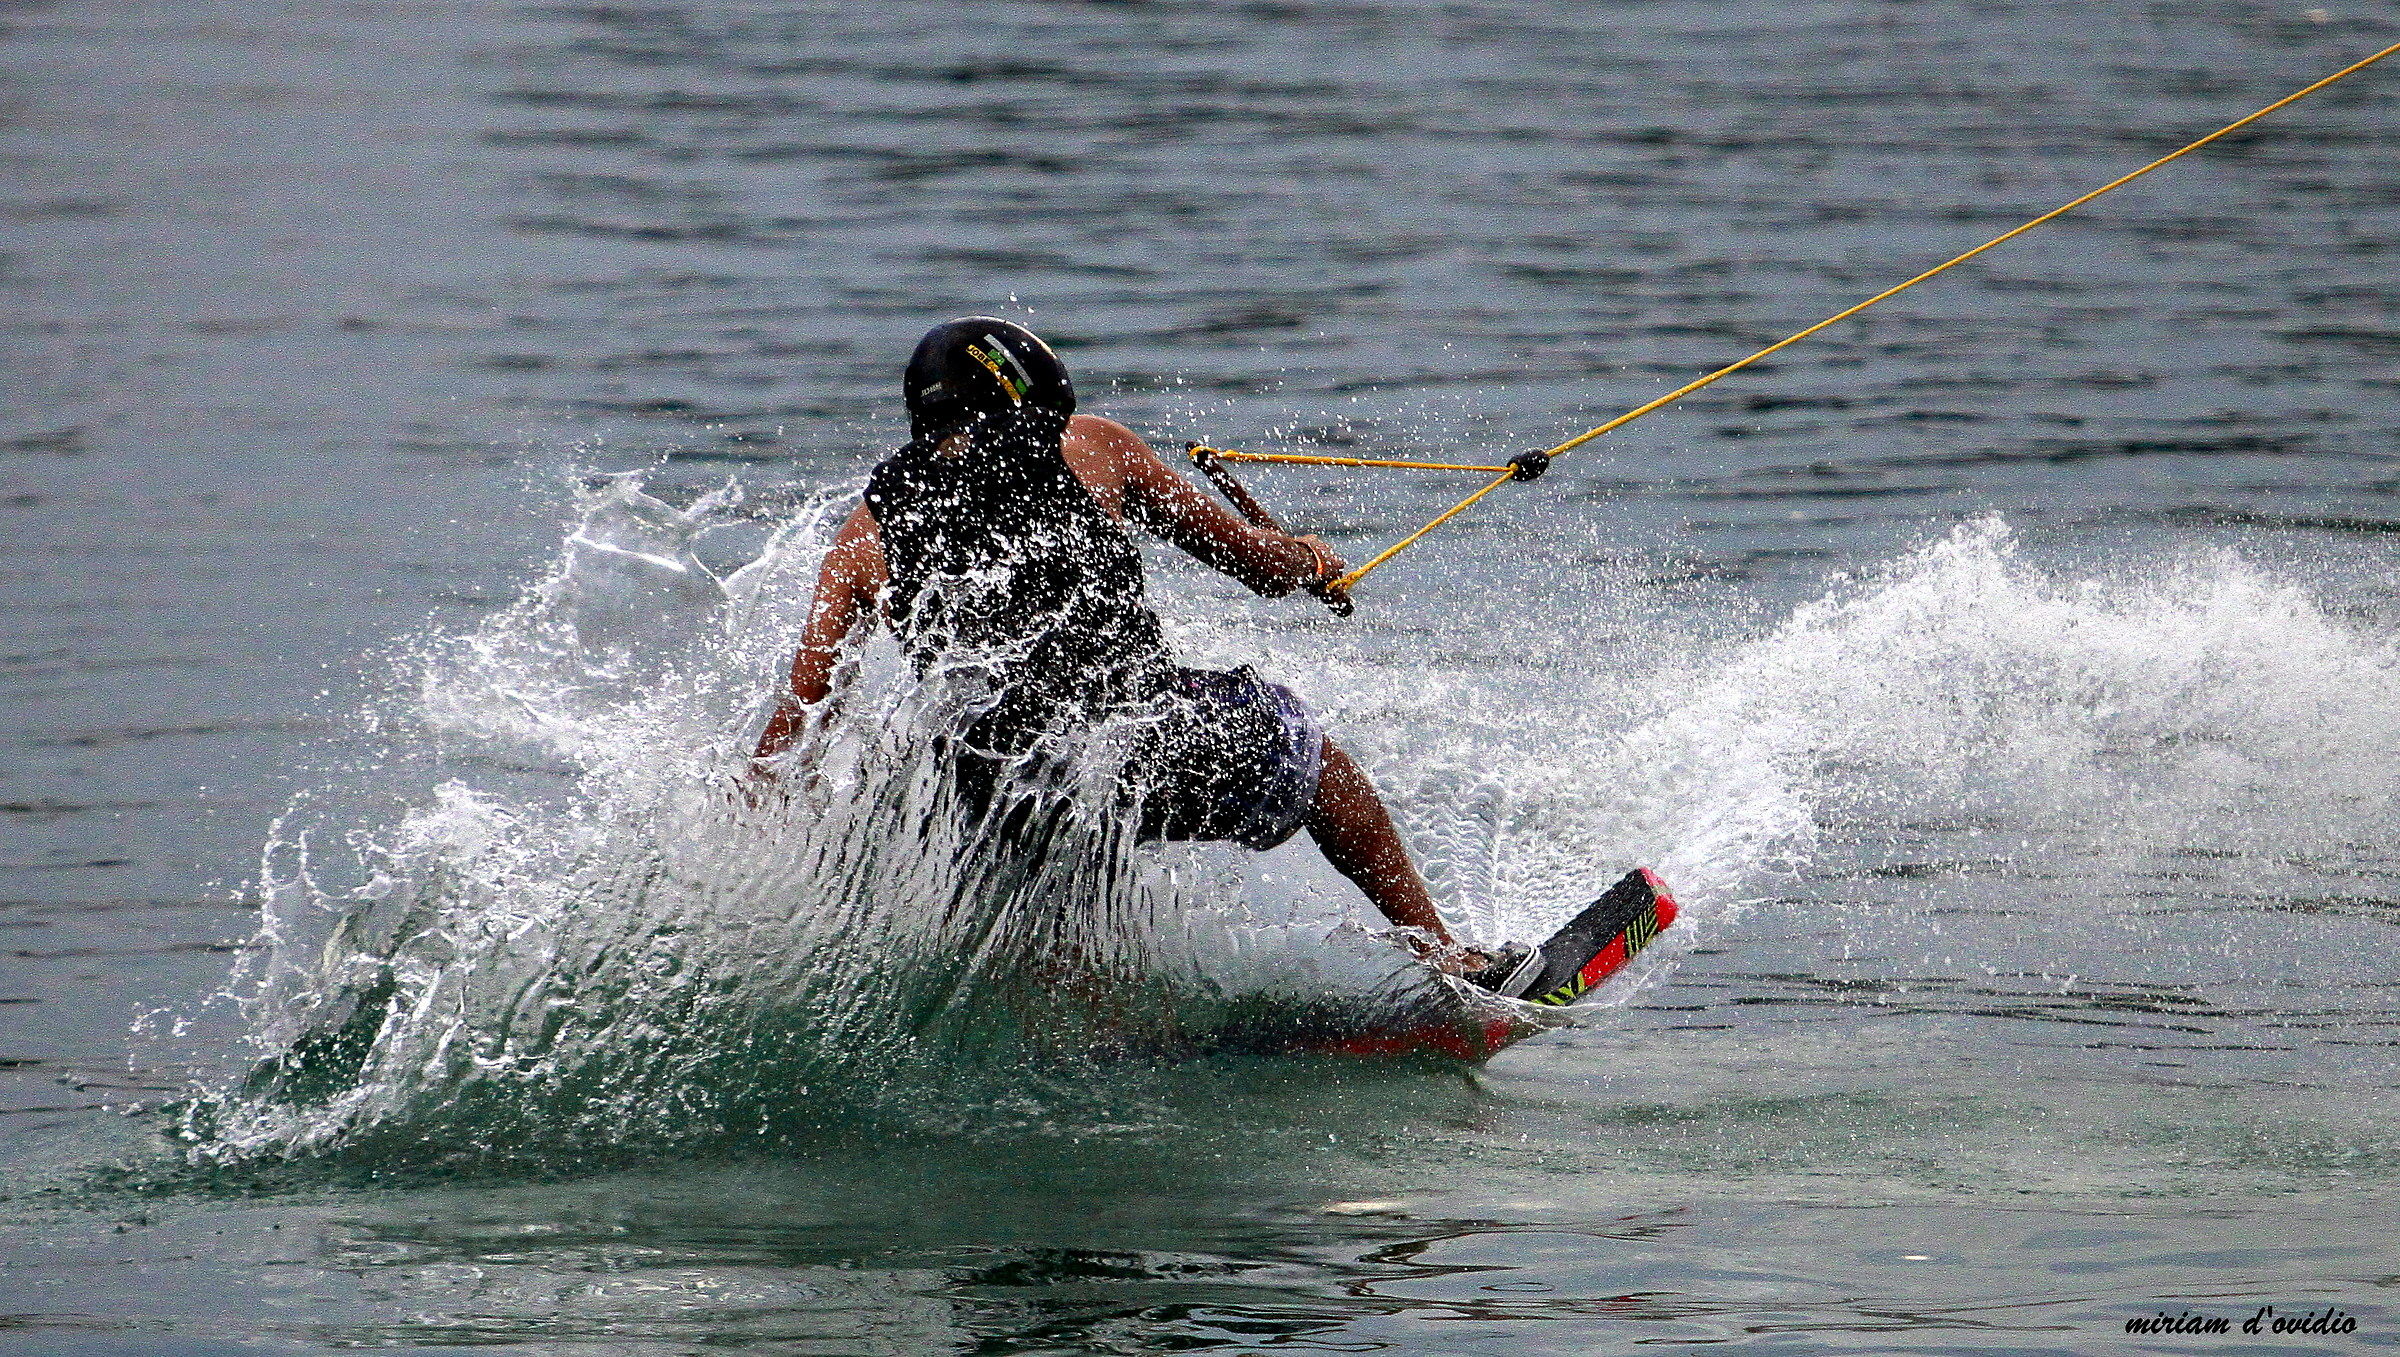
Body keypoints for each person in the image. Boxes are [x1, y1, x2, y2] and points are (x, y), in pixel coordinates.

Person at [751, 317, 1491, 973]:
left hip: (992, 786)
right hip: (1126, 736)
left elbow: (792, 737)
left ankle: (1086, 1031)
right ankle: (1441, 953)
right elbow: (1258, 567)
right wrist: (1310, 558)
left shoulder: (859, 542)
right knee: (1315, 760)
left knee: (1047, 877)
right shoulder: (1093, 446)